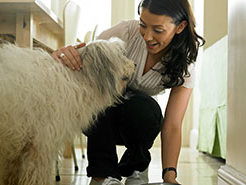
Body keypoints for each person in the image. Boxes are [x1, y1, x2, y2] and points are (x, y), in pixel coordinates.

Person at [52, 0, 205, 184]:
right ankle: (102, 176)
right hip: (99, 123)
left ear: (180, 27)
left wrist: (169, 176)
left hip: (135, 123)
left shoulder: (183, 64)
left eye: (157, 30)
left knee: (147, 110)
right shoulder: (126, 32)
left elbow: (172, 125)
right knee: (100, 98)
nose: (147, 36)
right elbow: (84, 58)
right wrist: (63, 56)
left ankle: (136, 167)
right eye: (143, 25)